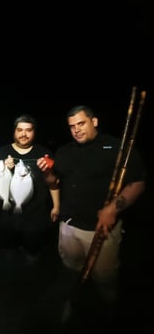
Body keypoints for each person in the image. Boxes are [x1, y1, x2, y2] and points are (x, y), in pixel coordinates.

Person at [37, 105, 146, 319]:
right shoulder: (64, 151)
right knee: (70, 268)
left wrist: (113, 209)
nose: (76, 130)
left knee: (104, 276)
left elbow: (138, 183)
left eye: (81, 123)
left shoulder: (117, 147)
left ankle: (109, 309)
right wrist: (47, 173)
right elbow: (54, 183)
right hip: (68, 224)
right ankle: (74, 301)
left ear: (93, 122)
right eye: (72, 126)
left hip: (102, 228)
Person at [0, 114, 59, 263]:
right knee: (7, 251)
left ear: (34, 132)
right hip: (8, 214)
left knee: (33, 252)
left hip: (37, 213)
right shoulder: (3, 152)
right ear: (14, 132)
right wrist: (1, 169)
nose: (23, 134)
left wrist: (56, 206)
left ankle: (30, 278)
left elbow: (53, 183)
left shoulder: (44, 153)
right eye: (20, 130)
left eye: (28, 130)